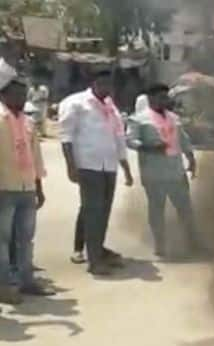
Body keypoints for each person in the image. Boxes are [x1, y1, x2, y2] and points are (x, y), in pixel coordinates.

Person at [59, 69, 134, 276]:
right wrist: (70, 166)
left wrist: (125, 168)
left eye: (109, 84)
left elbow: (118, 138)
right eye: (102, 83)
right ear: (93, 82)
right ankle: (94, 260)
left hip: (108, 166)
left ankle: (97, 250)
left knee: (102, 212)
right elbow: (66, 137)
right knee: (93, 211)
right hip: (88, 165)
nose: (106, 87)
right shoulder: (76, 103)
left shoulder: (111, 107)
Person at [126, 83, 207, 258]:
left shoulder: (174, 118)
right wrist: (148, 147)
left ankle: (192, 242)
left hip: (176, 172)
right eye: (162, 97)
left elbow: (183, 139)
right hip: (154, 174)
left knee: (185, 208)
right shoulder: (139, 119)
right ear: (151, 99)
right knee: (157, 209)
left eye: (167, 96)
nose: (166, 100)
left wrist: (191, 158)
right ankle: (160, 244)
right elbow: (130, 140)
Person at [0, 70, 53, 304]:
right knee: (2, 239)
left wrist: (38, 187)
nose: (21, 99)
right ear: (4, 95)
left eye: (23, 94)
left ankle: (26, 281)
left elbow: (36, 157)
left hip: (26, 187)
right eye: (16, 94)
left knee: (25, 237)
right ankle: (5, 286)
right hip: (4, 188)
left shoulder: (29, 122)